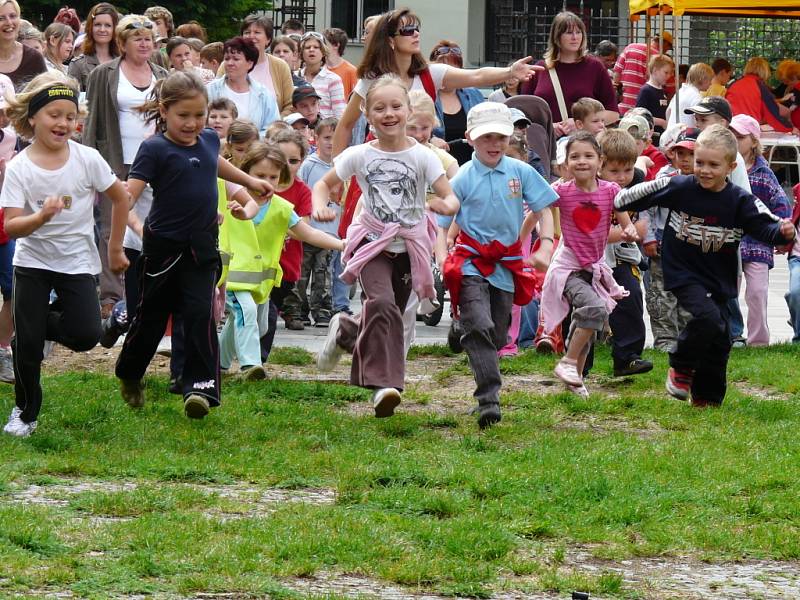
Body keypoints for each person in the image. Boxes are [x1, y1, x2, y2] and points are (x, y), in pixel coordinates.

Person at [114, 70, 273, 419]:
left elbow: (214, 165)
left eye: (199, 115)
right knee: (152, 319)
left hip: (202, 246)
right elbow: (129, 195)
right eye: (183, 115)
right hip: (163, 248)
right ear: (164, 111)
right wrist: (124, 233)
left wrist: (250, 181)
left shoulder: (210, 140)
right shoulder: (153, 149)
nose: (192, 123)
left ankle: (199, 388)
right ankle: (129, 373)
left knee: (201, 314)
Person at [614, 125, 795, 406]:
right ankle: (680, 365)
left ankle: (706, 399)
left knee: (721, 337)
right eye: (700, 162)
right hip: (682, 271)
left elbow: (765, 226)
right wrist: (625, 196)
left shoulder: (739, 201)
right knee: (708, 318)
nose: (704, 170)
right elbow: (627, 197)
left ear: (731, 167)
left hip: (718, 277)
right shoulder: (679, 187)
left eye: (713, 164)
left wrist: (783, 233)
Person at [313, 74, 460, 418]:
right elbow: (323, 183)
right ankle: (386, 386)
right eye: (380, 107)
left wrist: (444, 206)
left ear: (409, 111)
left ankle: (347, 330)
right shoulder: (359, 154)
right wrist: (320, 204)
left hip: (411, 248)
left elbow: (451, 196)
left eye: (396, 106)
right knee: (382, 307)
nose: (389, 113)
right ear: (367, 112)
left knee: (387, 312)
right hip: (371, 243)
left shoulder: (424, 157)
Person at [0, 71, 130, 437]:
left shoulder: (87, 159)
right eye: (54, 114)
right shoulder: (20, 168)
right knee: (26, 348)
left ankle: (35, 325)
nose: (63, 123)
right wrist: (40, 216)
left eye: (70, 116)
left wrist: (115, 247)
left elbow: (120, 198)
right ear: (33, 119)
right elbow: (11, 226)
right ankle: (25, 414)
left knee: (87, 335)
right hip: (32, 264)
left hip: (76, 263)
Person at [438, 103, 556, 425]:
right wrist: (440, 255)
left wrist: (545, 246)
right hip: (472, 262)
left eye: (501, 137)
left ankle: (461, 326)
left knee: (500, 335)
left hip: (507, 264)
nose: (494, 144)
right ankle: (489, 399)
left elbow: (545, 209)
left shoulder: (521, 172)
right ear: (470, 139)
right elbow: (442, 221)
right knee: (481, 326)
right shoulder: (462, 177)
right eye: (486, 137)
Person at [333, 8, 540, 157]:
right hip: (379, 157)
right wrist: (337, 169)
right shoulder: (372, 79)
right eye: (407, 31)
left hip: (420, 157)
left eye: (416, 29)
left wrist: (510, 71)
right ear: (389, 40)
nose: (415, 34)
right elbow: (345, 125)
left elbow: (476, 76)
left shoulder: (430, 74)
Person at [219, 141, 344, 379]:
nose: (267, 182)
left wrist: (342, 244)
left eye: (274, 177)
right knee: (244, 312)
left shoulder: (282, 208)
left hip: (261, 281)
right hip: (233, 275)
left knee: (256, 324)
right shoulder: (231, 200)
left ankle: (219, 362)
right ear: (245, 174)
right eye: (260, 175)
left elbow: (309, 233)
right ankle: (251, 365)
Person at [83, 13, 168, 320]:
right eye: (138, 38)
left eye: (149, 38)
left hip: (155, 162)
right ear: (122, 43)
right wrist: (89, 164)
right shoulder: (104, 74)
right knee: (112, 228)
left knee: (151, 226)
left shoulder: (162, 73)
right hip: (115, 161)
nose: (145, 44)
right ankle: (111, 296)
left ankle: (146, 289)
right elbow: (92, 121)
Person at [540, 131, 638, 395]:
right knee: (594, 310)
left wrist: (629, 231)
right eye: (575, 157)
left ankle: (576, 379)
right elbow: (538, 209)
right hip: (568, 267)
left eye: (588, 156)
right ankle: (568, 362)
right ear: (566, 163)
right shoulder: (560, 190)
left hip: (594, 267)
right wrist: (532, 240)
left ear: (600, 161)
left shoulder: (611, 191)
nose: (582, 161)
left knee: (588, 325)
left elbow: (625, 222)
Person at [730, 114, 791, 346]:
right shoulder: (726, 167)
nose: (735, 140)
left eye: (740, 137)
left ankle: (758, 342)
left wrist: (781, 233)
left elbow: (781, 205)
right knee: (728, 292)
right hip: (731, 239)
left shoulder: (764, 173)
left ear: (753, 141)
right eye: (732, 135)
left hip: (758, 241)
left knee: (757, 292)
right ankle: (729, 336)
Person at [597, 128, 652, 377]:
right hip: (591, 256)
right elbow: (594, 233)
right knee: (584, 306)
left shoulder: (637, 185)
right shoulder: (592, 189)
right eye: (614, 171)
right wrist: (625, 231)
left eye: (627, 170)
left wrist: (630, 231)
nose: (621, 177)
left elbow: (642, 226)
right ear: (600, 165)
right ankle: (574, 355)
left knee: (630, 299)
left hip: (622, 256)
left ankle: (628, 357)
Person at [519, 11, 618, 136]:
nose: (575, 37)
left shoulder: (595, 67)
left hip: (583, 145)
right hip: (546, 145)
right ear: (557, 36)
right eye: (569, 32)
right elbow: (523, 114)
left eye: (578, 32)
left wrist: (582, 123)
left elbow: (613, 113)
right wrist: (548, 126)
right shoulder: (539, 69)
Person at [262, 129, 314, 337]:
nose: (287, 166)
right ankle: (255, 351)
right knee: (261, 309)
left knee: (274, 302)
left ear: (302, 161)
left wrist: (281, 227)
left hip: (287, 261)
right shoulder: (260, 184)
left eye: (293, 161)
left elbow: (304, 226)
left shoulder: (302, 191)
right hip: (259, 260)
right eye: (281, 159)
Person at [296, 117, 340, 326]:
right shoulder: (308, 166)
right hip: (307, 228)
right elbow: (300, 191)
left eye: (336, 137)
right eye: (327, 137)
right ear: (316, 138)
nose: (331, 142)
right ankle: (299, 310)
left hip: (329, 233)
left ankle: (322, 310)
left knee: (324, 274)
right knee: (302, 273)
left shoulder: (343, 166)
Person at [206, 36, 280, 137]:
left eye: (236, 59)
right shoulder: (210, 90)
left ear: (249, 63)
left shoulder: (264, 94)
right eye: (227, 59)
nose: (230, 63)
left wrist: (250, 141)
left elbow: (273, 129)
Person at [429, 39, 485, 165]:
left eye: (451, 70)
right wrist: (430, 139)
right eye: (441, 71)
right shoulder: (424, 97)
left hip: (473, 165)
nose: (446, 75)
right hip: (439, 166)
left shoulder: (474, 94)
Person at [239, 14, 294, 116]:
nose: (251, 36)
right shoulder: (228, 65)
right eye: (247, 32)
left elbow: (290, 104)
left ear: (268, 39)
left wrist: (275, 125)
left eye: (257, 32)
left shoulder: (280, 66)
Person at [726, 57, 793, 133]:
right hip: (749, 130)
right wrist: (790, 128)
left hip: (732, 128)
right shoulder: (759, 86)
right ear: (765, 71)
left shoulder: (734, 85)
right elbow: (773, 114)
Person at [613, 32, 673, 116]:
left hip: (623, 106)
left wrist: (619, 95)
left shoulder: (630, 48)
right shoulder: (660, 60)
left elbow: (616, 73)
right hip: (646, 111)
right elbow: (670, 89)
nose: (666, 51)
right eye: (668, 48)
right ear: (665, 44)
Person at [68, 2, 119, 92]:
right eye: (97, 24)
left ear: (115, 28)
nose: (102, 29)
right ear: (90, 27)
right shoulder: (78, 65)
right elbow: (73, 101)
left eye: (108, 25)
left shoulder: (124, 62)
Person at [296, 31, 345, 120]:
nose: (311, 50)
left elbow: (340, 115)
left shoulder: (333, 79)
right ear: (301, 53)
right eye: (307, 47)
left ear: (323, 52)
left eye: (316, 47)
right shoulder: (294, 77)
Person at [0, 0, 47, 91]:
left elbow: (46, 97)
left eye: (13, 16)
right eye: (1, 18)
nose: (9, 22)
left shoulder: (33, 58)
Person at [665, 62, 713, 127]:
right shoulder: (696, 96)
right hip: (686, 133)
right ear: (702, 79)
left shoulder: (680, 91)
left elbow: (668, 111)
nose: (711, 84)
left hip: (672, 131)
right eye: (710, 80)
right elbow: (701, 117)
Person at [635, 54, 673, 130]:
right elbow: (640, 114)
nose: (668, 76)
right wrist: (661, 122)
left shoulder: (662, 91)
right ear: (655, 71)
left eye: (670, 73)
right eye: (666, 72)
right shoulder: (646, 91)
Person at [323, 27, 357, 98]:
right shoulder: (319, 69)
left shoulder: (351, 71)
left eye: (324, 43)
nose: (321, 46)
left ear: (336, 45)